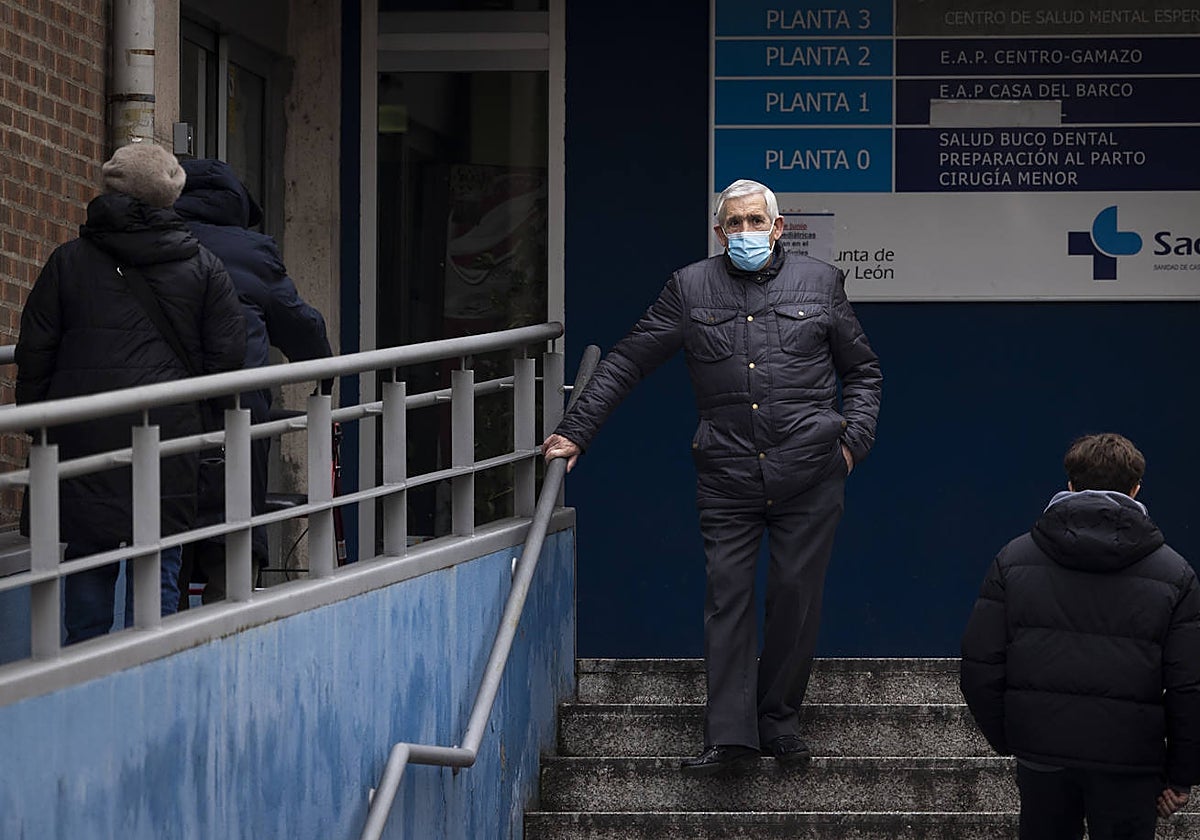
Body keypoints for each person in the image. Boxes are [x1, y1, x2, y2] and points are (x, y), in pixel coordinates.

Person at [541, 179, 882, 776]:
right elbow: (628, 359)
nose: (744, 232)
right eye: (734, 223)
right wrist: (577, 431)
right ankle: (730, 736)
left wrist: (851, 443)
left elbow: (864, 372)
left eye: (756, 221)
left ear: (778, 229)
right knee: (728, 597)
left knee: (795, 598)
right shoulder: (690, 287)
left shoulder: (821, 282)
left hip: (810, 471)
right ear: (719, 231)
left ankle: (778, 721)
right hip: (727, 473)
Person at [15, 141, 247, 643]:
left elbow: (36, 350)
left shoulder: (68, 262)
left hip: (82, 434)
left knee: (88, 555)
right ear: (171, 194)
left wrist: (38, 427)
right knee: (159, 554)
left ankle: (86, 676)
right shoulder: (204, 267)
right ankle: (149, 670)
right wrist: (210, 431)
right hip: (170, 435)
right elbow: (228, 361)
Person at [960, 433, 1200, 839]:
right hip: (1131, 759)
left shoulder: (1014, 559)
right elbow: (1189, 686)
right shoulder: (1175, 573)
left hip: (1042, 755)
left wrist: (1016, 737)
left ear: (1069, 486)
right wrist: (1180, 775)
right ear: (1136, 488)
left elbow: (980, 665)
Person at [173, 158, 333, 604]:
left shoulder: (150, 243)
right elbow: (300, 328)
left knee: (164, 554)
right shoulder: (251, 251)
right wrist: (324, 374)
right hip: (235, 422)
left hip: (160, 423)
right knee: (233, 552)